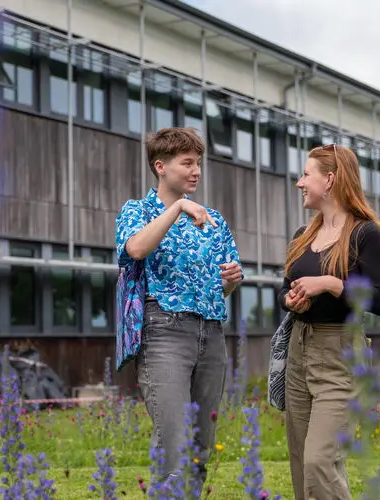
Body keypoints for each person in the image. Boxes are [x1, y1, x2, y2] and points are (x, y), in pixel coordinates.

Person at [115, 127, 243, 490]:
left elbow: (224, 286)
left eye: (198, 163)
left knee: (200, 449)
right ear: (160, 166)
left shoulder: (212, 220)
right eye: (187, 163)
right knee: (174, 447)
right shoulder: (137, 211)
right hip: (164, 335)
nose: (195, 171)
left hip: (211, 333)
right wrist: (177, 209)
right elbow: (135, 250)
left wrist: (231, 280)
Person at [279, 144, 380, 500]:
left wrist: (329, 284)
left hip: (340, 355)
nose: (299, 182)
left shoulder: (367, 234)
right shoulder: (303, 234)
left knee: (320, 460)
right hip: (299, 350)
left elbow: (378, 299)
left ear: (329, 179)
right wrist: (292, 300)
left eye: (306, 174)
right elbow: (286, 287)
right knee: (301, 462)